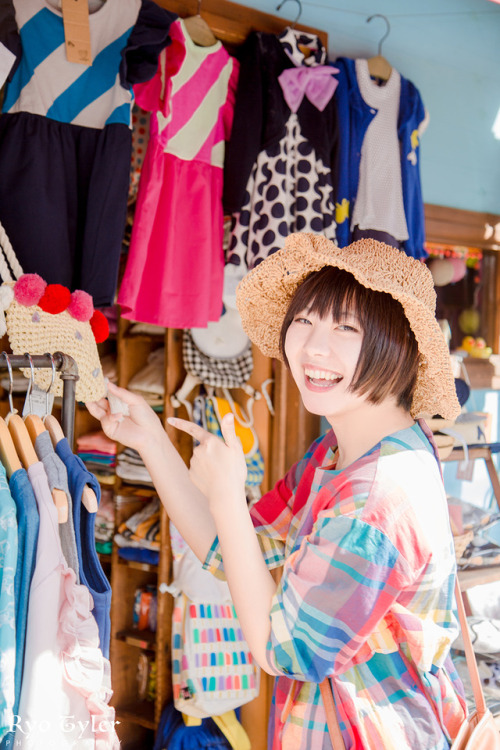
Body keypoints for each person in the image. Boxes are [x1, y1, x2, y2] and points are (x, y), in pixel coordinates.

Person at [87, 233, 467, 749]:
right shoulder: (340, 453)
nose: (312, 346)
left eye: (345, 327)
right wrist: (151, 441)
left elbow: (284, 651)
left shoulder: (377, 498)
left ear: (396, 346)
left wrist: (226, 494)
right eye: (305, 320)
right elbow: (233, 549)